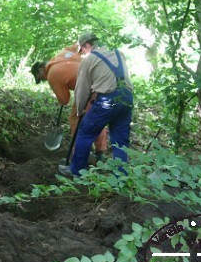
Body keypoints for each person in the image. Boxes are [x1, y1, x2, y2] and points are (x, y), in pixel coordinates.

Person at [57, 32, 134, 177]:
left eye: (83, 50)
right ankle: (121, 176)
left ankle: (77, 170)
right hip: (127, 98)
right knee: (120, 139)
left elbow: (82, 89)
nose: (83, 53)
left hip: (107, 99)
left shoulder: (89, 60)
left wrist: (80, 110)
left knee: (84, 133)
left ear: (87, 45)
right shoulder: (118, 53)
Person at [31, 44, 108, 161]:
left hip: (88, 89)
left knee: (75, 119)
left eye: (40, 77)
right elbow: (78, 45)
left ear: (41, 69)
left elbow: (64, 100)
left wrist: (60, 98)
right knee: (95, 119)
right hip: (101, 83)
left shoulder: (52, 74)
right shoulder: (62, 53)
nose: (43, 80)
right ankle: (100, 152)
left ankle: (79, 156)